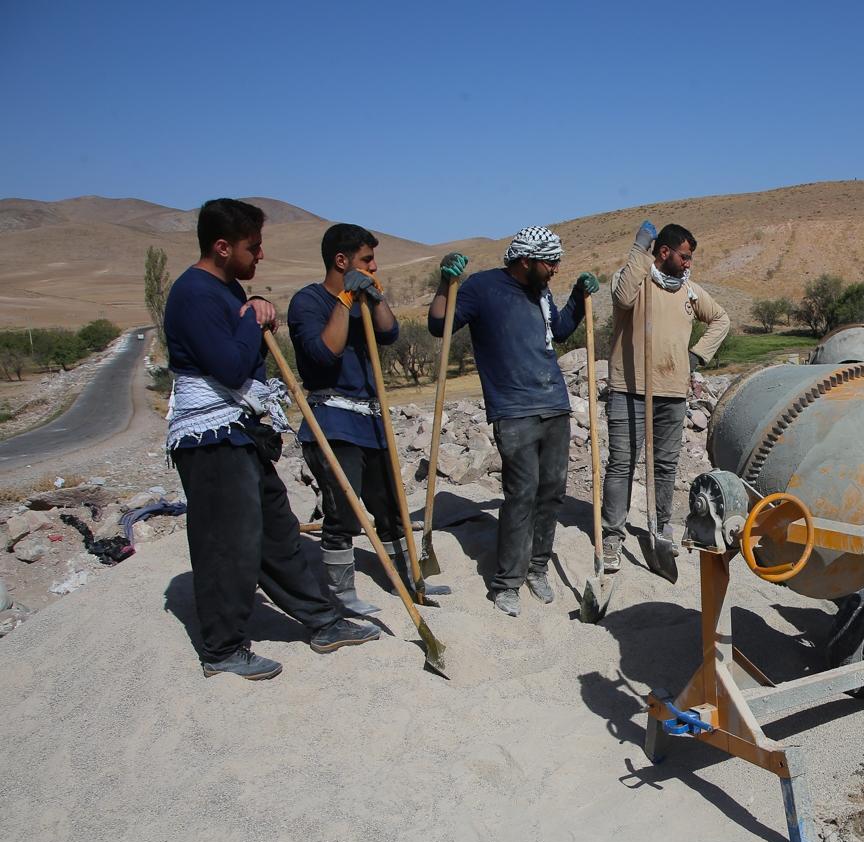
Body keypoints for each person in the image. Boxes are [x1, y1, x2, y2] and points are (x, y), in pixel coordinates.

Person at [164, 198, 379, 680]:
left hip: (239, 433)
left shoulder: (224, 288)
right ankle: (221, 649)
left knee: (277, 531)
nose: (260, 255)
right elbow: (229, 365)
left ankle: (323, 621)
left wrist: (253, 311)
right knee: (227, 543)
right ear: (222, 247)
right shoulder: (194, 293)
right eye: (252, 246)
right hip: (210, 439)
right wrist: (253, 317)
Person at [426, 227, 598, 617]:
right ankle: (507, 581)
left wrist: (576, 297)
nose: (555, 268)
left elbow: (560, 330)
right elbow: (440, 325)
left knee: (551, 491)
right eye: (549, 262)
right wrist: (445, 283)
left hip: (554, 404)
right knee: (521, 494)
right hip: (514, 410)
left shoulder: (541, 293)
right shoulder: (481, 289)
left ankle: (538, 568)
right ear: (525, 261)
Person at [288, 223, 422, 615]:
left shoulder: (366, 298)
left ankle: (405, 575)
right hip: (331, 421)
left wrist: (374, 297)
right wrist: (345, 299)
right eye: (367, 260)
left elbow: (390, 332)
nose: (374, 266)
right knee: (343, 511)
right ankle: (342, 593)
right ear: (341, 261)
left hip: (372, 422)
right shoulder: (307, 302)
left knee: (391, 505)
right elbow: (324, 353)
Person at [602, 221, 731, 570]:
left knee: (664, 466)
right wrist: (638, 249)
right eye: (684, 257)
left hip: (672, 394)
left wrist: (696, 355)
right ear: (663, 252)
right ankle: (612, 535)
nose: (689, 264)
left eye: (690, 258)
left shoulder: (690, 291)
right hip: (629, 390)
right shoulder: (634, 279)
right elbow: (621, 297)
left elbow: (721, 319)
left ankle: (660, 529)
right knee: (621, 464)